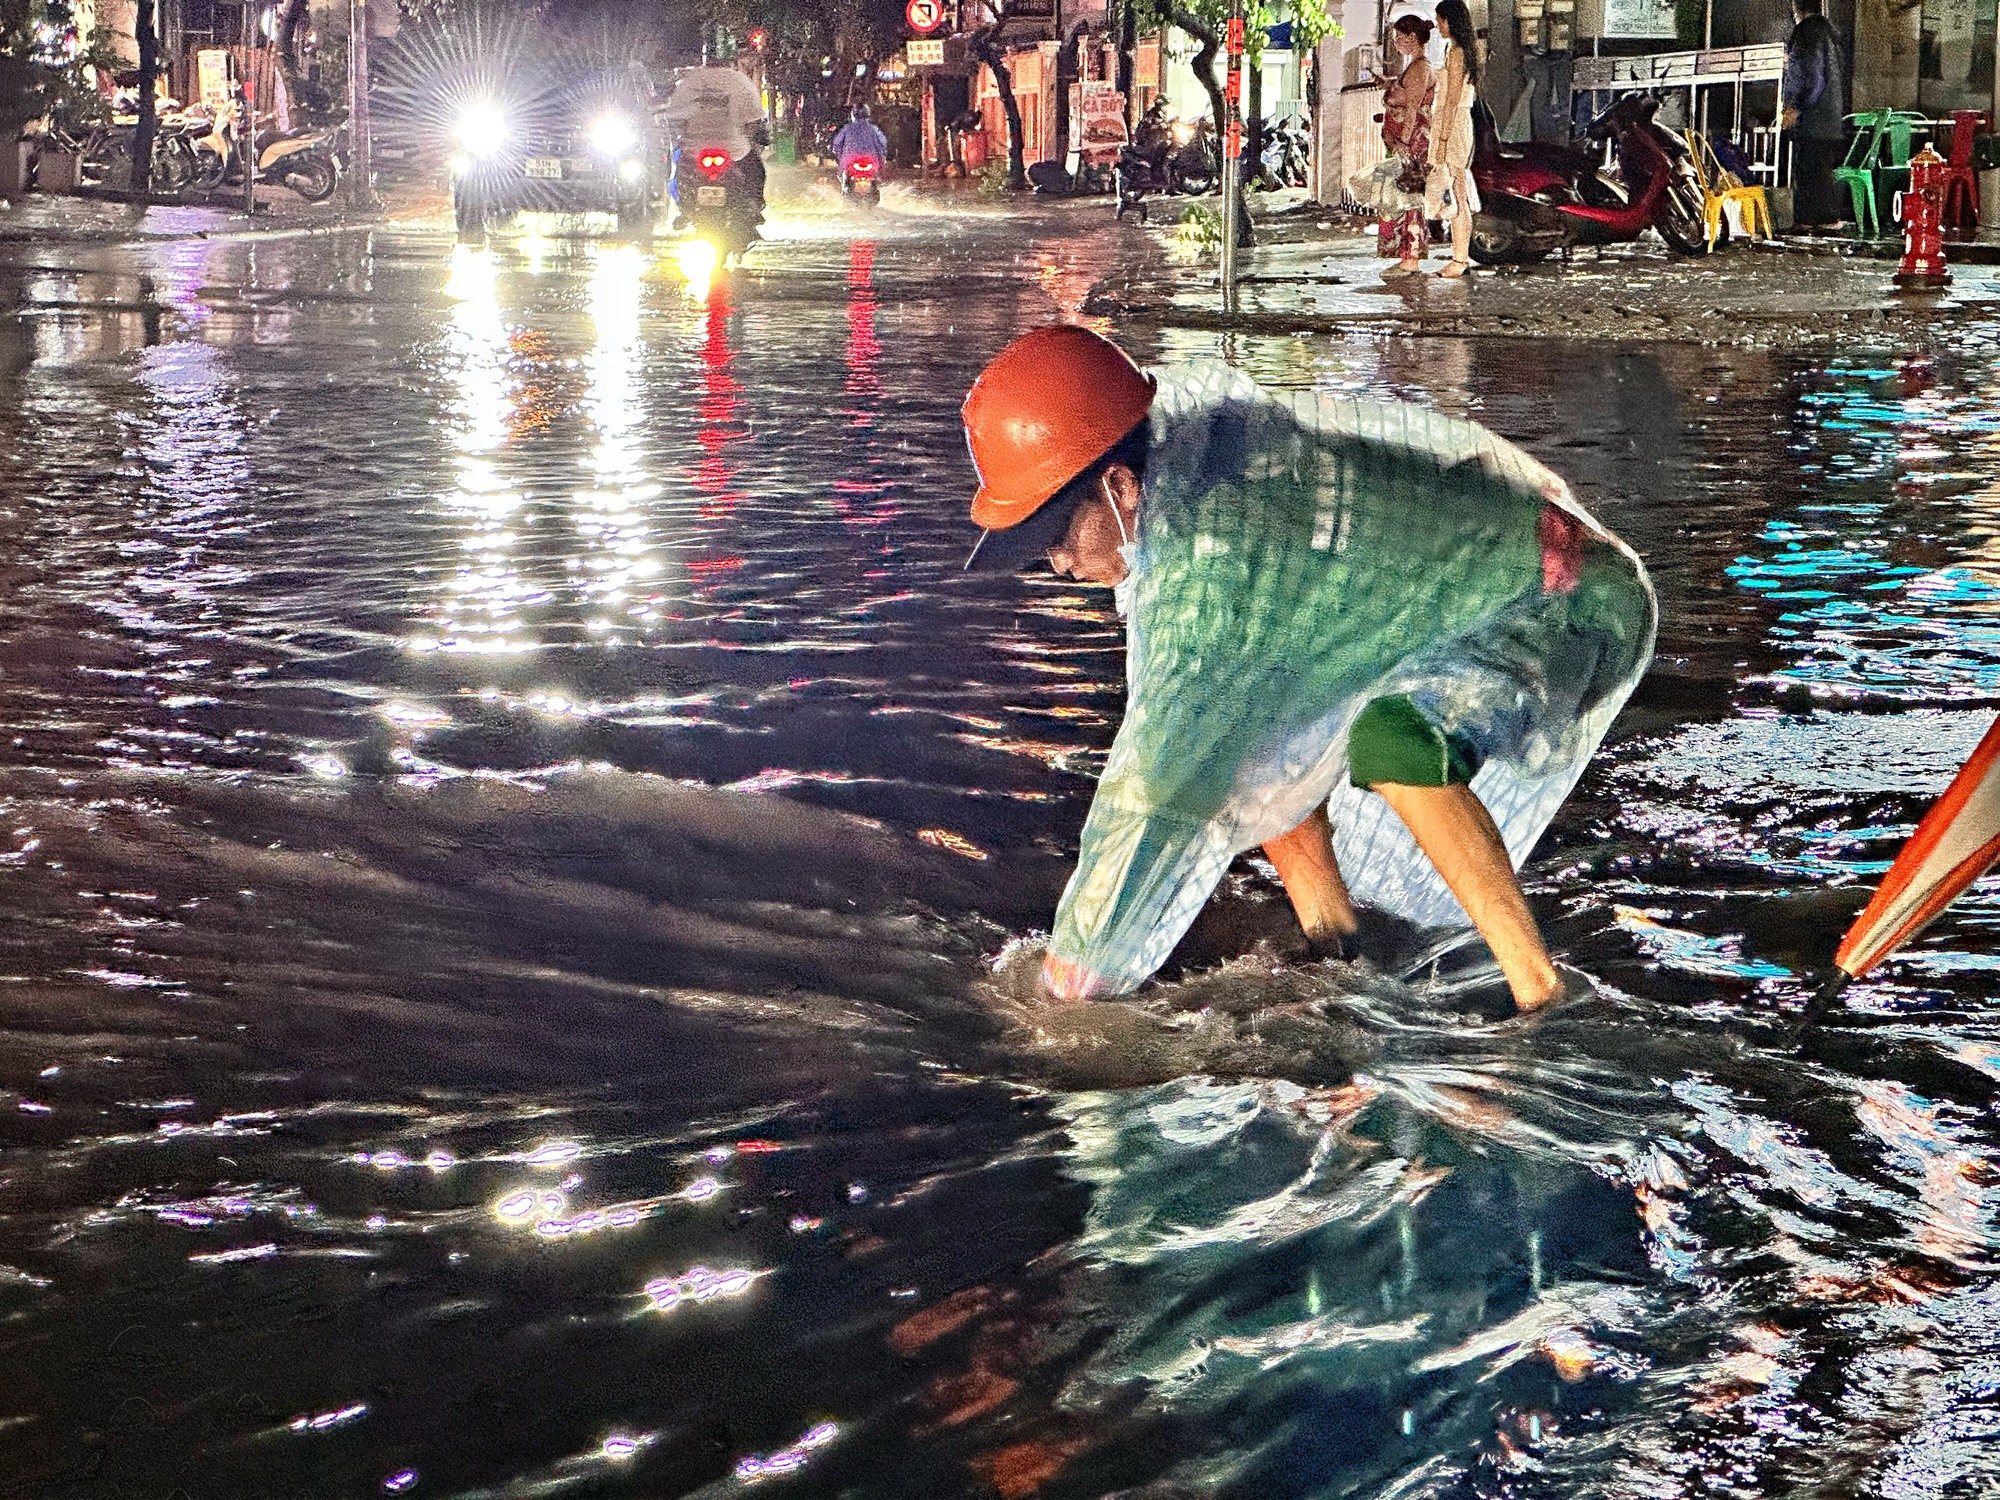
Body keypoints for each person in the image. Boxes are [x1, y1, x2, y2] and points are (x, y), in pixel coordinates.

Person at [960, 325, 1656, 1012]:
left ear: (1121, 485)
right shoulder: (1198, 481)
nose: (1056, 562)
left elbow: (1151, 790)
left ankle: (1541, 993)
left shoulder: (1220, 546)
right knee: (1251, 740)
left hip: (1566, 603)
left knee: (1395, 741)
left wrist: (1072, 979)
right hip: (1472, 599)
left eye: (1056, 533)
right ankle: (1336, 951)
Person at [658, 60, 770, 222]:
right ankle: (754, 207)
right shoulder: (740, 81)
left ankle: (685, 209)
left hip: (694, 148)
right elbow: (753, 117)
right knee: (756, 170)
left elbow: (675, 116)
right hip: (734, 148)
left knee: (680, 173)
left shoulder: (690, 82)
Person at [1782, 0, 1848, 230]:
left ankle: (1815, 219)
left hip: (1813, 116)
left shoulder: (1806, 33)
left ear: (1796, 8)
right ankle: (1825, 218)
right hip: (1831, 115)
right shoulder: (1831, 34)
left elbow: (1809, 76)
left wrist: (1794, 107)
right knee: (1821, 170)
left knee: (1809, 169)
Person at [1378, 15, 1436, 277]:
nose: (1397, 42)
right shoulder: (1415, 67)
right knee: (1403, 198)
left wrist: (1403, 141)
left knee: (1409, 199)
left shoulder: (1420, 68)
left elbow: (1412, 109)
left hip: (1410, 144)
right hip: (1407, 142)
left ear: (1411, 39)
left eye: (1400, 38)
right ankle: (1405, 256)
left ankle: (1409, 257)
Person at [1427, 0, 1481, 278]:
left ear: (1452, 20)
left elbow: (1451, 101)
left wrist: (1444, 139)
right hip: (1452, 122)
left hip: (1454, 123)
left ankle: (1460, 259)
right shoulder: (1456, 50)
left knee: (1457, 191)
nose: (1438, 26)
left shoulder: (1458, 52)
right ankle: (1459, 256)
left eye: (1440, 21)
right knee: (1454, 190)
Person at [830, 104, 891, 181]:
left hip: (850, 160)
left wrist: (837, 153)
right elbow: (883, 143)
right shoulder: (874, 129)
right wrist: (883, 156)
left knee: (842, 175)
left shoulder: (847, 129)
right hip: (871, 160)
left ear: (853, 116)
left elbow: (837, 144)